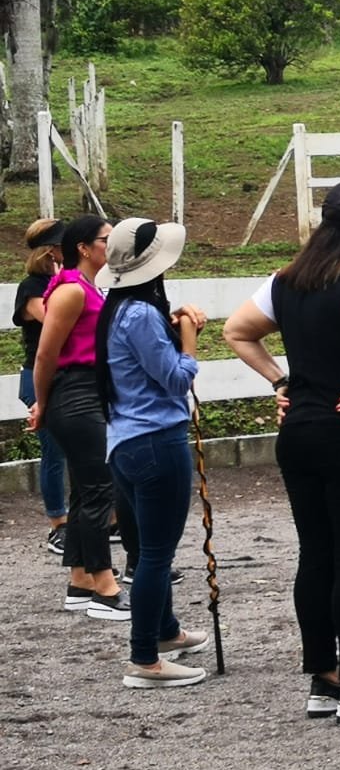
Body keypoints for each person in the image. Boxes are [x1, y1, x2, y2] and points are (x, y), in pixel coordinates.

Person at [223, 178, 340, 722]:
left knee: (317, 554)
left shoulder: (288, 278)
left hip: (302, 432)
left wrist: (281, 382)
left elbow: (238, 331)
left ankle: (324, 677)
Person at [95, 218, 211, 689]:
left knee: (148, 548)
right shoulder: (141, 315)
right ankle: (144, 657)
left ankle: (164, 632)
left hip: (124, 439)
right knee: (157, 554)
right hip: (156, 439)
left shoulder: (119, 309)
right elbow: (177, 378)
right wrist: (189, 340)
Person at [29, 215, 130, 619]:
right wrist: (42, 403)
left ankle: (80, 579)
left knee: (86, 490)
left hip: (85, 392)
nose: (113, 245)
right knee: (100, 490)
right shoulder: (72, 289)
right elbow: (45, 354)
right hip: (77, 394)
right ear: (84, 248)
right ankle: (104, 587)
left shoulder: (87, 287)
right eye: (106, 239)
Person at [15, 219, 68, 554]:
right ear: (51, 251)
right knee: (55, 453)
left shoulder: (62, 284)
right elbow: (55, 320)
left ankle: (105, 519)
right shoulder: (32, 287)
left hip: (68, 376)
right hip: (40, 377)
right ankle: (57, 525)